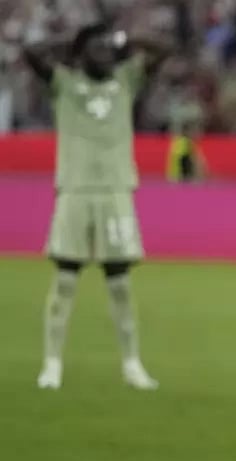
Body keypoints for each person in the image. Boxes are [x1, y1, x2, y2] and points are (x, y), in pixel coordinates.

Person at [24, 23, 170, 391]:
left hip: (116, 192)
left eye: (108, 48)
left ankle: (132, 364)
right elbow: (31, 54)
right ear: (82, 53)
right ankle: (52, 364)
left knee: (120, 285)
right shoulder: (64, 84)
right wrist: (72, 39)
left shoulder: (126, 80)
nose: (105, 53)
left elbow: (164, 49)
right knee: (65, 281)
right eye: (97, 48)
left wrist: (129, 37)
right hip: (74, 190)